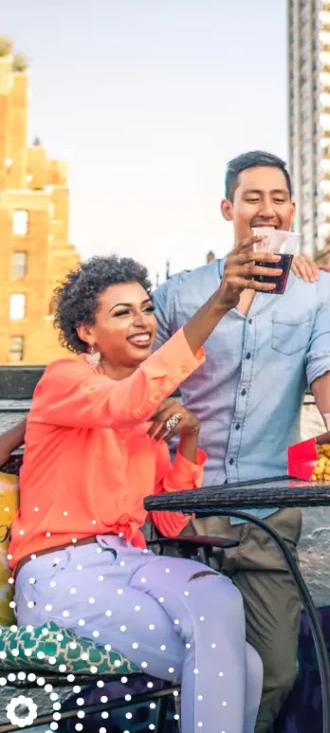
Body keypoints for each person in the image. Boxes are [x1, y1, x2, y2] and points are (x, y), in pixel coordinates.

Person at [11, 244, 281, 733]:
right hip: (59, 571)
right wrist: (221, 301)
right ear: (86, 333)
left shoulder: (149, 415)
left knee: (224, 607)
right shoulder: (64, 380)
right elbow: (122, 402)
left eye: (146, 309)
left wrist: (189, 437)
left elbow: (170, 520)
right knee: (239, 666)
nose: (142, 322)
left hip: (131, 562)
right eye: (122, 313)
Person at [152, 151, 330, 732]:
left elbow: (327, 362)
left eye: (278, 198)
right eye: (252, 198)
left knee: (278, 670)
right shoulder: (179, 293)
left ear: (292, 208)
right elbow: (150, 380)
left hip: (270, 508)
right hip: (185, 511)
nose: (266, 209)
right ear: (228, 208)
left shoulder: (317, 291)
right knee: (190, 664)